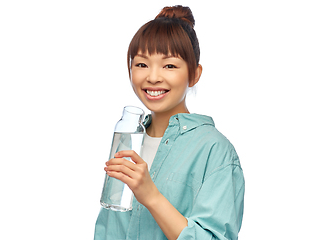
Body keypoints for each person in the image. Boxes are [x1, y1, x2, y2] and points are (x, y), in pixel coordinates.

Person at [94, 5, 244, 240]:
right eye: (142, 64)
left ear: (194, 74)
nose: (152, 77)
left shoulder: (215, 151)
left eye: (170, 66)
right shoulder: (129, 138)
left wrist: (151, 196)